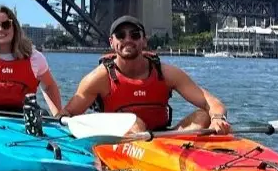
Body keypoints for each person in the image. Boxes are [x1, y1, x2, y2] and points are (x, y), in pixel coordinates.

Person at [61, 15, 230, 134]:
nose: (128, 39)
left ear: (144, 40)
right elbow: (68, 115)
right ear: (112, 42)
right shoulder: (98, 79)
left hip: (164, 139)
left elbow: (212, 102)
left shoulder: (166, 73)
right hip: (121, 141)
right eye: (120, 35)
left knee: (203, 116)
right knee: (134, 122)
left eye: (134, 35)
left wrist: (217, 118)